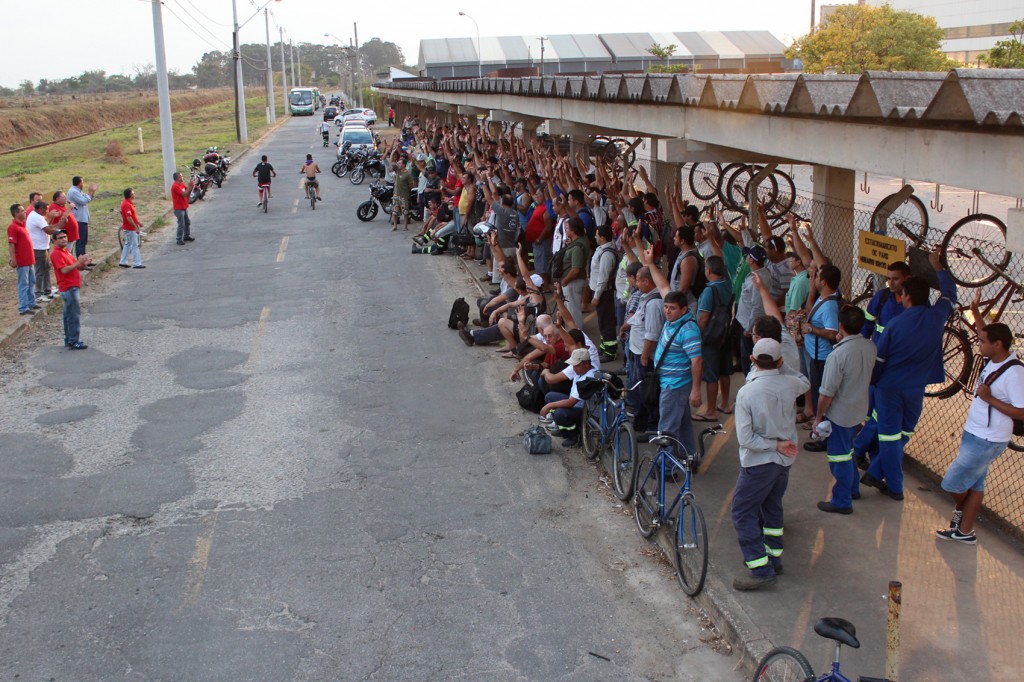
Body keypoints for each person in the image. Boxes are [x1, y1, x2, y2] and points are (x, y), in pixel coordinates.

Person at [861, 248, 956, 501]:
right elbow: (949, 294)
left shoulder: (894, 325)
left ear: (907, 297)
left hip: (889, 388)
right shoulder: (937, 317)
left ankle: (892, 484)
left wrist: (872, 382)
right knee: (905, 434)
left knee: (890, 436)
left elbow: (879, 360)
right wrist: (939, 268)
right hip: (915, 388)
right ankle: (877, 471)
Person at [936, 300, 1024, 545]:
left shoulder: (1015, 373)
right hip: (975, 433)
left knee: (952, 483)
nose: (978, 344)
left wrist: (989, 399)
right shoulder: (995, 356)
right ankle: (965, 531)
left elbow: (1022, 411)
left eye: (983, 342)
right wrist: (975, 314)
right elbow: (986, 333)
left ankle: (963, 516)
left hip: (988, 440)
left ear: (998, 345)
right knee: (975, 484)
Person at [731, 338, 810, 591]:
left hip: (760, 462)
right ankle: (774, 558)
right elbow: (805, 381)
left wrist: (774, 445)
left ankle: (760, 567)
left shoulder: (747, 392)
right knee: (772, 506)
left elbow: (746, 439)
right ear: (780, 361)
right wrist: (781, 367)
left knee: (742, 511)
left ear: (752, 360)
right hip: (783, 461)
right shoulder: (790, 384)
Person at [808, 305, 877, 514]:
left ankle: (842, 500)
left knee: (839, 458)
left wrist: (818, 417)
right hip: (858, 410)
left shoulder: (837, 355)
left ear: (840, 326)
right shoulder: (870, 347)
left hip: (840, 414)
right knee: (848, 451)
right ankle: (852, 489)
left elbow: (827, 393)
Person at [644, 247, 703, 456]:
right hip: (670, 382)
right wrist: (650, 263)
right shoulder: (674, 319)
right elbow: (662, 285)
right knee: (683, 424)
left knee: (667, 429)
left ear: (684, 310)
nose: (667, 311)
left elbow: (697, 361)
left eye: (672, 308)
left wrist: (696, 390)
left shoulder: (688, 330)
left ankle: (667, 469)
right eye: (666, 307)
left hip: (675, 385)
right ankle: (690, 457)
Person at [853, 261, 911, 469]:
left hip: (897, 368)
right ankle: (864, 451)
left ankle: (863, 450)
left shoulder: (913, 304)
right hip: (877, 364)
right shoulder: (882, 297)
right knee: (874, 414)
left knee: (881, 416)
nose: (891, 282)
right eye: (889, 278)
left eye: (895, 278)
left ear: (906, 279)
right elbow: (867, 325)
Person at [694, 254, 734, 421]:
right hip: (725, 332)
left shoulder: (709, 290)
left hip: (711, 336)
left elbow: (703, 317)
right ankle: (724, 403)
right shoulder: (728, 284)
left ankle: (711, 410)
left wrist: (697, 336)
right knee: (725, 370)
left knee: (711, 374)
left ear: (708, 270)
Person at [801, 264, 842, 413]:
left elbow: (831, 333)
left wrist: (812, 329)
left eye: (817, 277)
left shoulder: (830, 306)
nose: (815, 278)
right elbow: (810, 309)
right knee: (814, 386)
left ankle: (819, 421)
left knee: (820, 390)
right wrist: (812, 287)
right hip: (815, 354)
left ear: (824, 282)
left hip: (822, 356)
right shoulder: (823, 298)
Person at [539, 348, 597, 447]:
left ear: (586, 364)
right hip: (577, 404)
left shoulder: (589, 378)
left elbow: (571, 402)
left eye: (577, 366)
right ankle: (563, 427)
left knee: (559, 412)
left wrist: (548, 406)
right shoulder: (581, 370)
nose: (574, 368)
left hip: (585, 412)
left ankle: (574, 436)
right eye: (573, 366)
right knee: (550, 396)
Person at [49, 229, 92, 349]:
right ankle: (74, 340)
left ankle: (69, 339)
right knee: (73, 315)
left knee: (68, 315)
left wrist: (83, 263)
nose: (64, 239)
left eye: (65, 237)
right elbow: (64, 270)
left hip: (73, 286)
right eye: (60, 238)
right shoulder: (56, 253)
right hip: (68, 287)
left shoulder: (66, 251)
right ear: (54, 241)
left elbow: (75, 267)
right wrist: (78, 262)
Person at [589, 224, 620, 362]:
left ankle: (610, 351)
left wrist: (596, 296)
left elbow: (603, 277)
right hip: (598, 291)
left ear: (602, 237)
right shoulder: (602, 249)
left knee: (607, 321)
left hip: (603, 293)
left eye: (597, 235)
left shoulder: (607, 254)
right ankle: (604, 345)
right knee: (602, 320)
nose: (595, 237)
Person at [27, 200, 64, 299]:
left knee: (46, 268)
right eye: (46, 210)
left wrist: (56, 225)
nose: (47, 212)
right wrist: (59, 226)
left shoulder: (37, 215)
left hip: (43, 246)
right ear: (40, 209)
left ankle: (47, 289)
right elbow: (48, 230)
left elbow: (47, 226)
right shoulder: (37, 217)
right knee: (40, 270)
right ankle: (38, 292)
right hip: (38, 248)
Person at [7, 203, 37, 315]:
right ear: (16, 213)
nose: (25, 212)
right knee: (23, 283)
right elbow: (11, 244)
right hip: (22, 260)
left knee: (32, 281)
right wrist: (13, 259)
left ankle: (31, 302)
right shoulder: (13, 227)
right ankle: (23, 307)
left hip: (29, 259)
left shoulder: (22, 225)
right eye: (22, 210)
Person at [67, 176, 97, 261]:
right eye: (82, 182)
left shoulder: (78, 191)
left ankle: (84, 259)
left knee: (84, 240)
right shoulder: (73, 192)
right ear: (80, 183)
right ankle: (81, 260)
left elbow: (87, 198)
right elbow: (84, 201)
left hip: (82, 218)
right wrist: (90, 192)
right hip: (79, 219)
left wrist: (90, 193)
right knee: (80, 241)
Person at [48, 191, 80, 259]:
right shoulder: (54, 207)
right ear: (57, 199)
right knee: (66, 255)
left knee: (70, 255)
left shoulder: (61, 206)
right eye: (63, 197)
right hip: (64, 236)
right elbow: (62, 218)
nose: (66, 198)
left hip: (71, 235)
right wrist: (69, 209)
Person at [118, 188, 144, 269]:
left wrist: (138, 222)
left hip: (128, 227)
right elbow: (129, 218)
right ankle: (137, 263)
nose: (134, 194)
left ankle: (123, 261)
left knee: (127, 244)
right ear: (130, 195)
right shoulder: (127, 204)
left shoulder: (126, 203)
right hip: (130, 228)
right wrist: (135, 227)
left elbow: (131, 216)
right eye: (133, 193)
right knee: (134, 245)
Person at [170, 172, 193, 245]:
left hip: (184, 206)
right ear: (178, 178)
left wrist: (191, 186)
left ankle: (186, 236)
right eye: (181, 176)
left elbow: (187, 192)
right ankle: (179, 239)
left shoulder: (181, 185)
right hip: (178, 208)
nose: (182, 177)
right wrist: (189, 187)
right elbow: (184, 194)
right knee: (181, 224)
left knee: (187, 222)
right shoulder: (175, 186)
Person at [391, 158, 412, 231]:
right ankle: (395, 226)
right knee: (394, 211)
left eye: (400, 163)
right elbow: (392, 163)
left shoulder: (408, 174)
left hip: (404, 195)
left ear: (404, 165)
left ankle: (405, 226)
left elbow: (411, 185)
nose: (398, 164)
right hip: (396, 194)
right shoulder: (398, 171)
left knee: (405, 212)